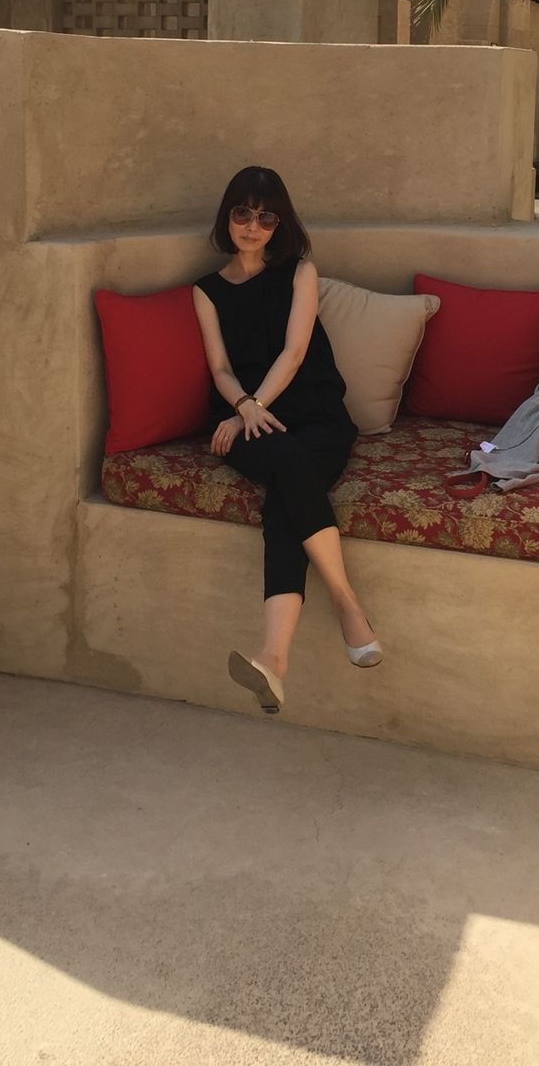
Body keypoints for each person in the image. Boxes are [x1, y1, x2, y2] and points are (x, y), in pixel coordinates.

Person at [193, 166, 381, 715]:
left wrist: (255, 405)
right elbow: (220, 367)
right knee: (288, 470)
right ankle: (343, 613)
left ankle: (278, 655)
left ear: (280, 224)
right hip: (242, 419)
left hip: (314, 414)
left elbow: (295, 353)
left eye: (266, 217)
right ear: (227, 217)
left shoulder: (300, 271)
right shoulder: (206, 292)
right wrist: (242, 409)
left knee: (285, 491)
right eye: (242, 213)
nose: (252, 226)